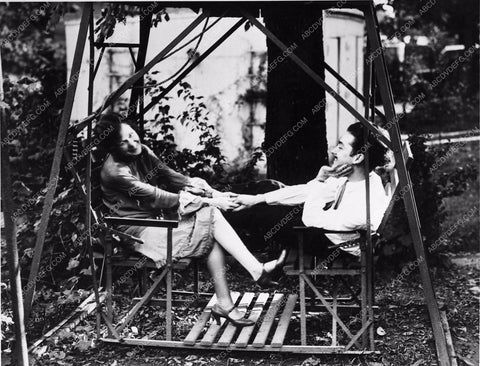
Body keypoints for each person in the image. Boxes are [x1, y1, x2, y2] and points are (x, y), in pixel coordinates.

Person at [93, 112, 286, 327]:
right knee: (211, 217)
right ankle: (254, 272)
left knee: (211, 229)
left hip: (156, 221)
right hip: (137, 233)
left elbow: (172, 177)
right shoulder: (115, 172)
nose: (132, 142)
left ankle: (227, 301)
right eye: (123, 142)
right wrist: (214, 203)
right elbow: (161, 198)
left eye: (131, 134)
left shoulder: (142, 151)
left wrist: (213, 194)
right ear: (113, 148)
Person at [233, 122, 390, 259]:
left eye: (341, 147)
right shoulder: (357, 177)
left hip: (332, 245)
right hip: (324, 227)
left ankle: (215, 212)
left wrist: (320, 180)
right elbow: (309, 192)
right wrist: (257, 198)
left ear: (357, 158)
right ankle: (217, 195)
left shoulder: (364, 202)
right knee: (270, 186)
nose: (334, 151)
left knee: (261, 213)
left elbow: (310, 219)